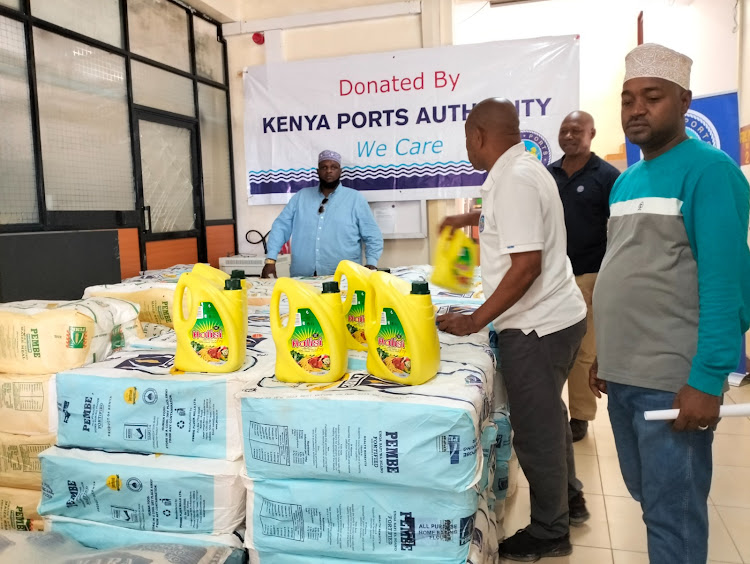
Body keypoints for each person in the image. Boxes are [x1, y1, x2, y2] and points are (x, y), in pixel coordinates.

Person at [590, 43, 750, 564]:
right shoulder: (627, 182)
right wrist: (604, 355)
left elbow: (727, 283)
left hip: (672, 379)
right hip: (625, 374)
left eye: (651, 97)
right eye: (628, 98)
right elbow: (629, 270)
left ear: (683, 101)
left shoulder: (709, 170)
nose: (636, 109)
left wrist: (707, 379)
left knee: (673, 513)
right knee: (648, 497)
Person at [437, 98, 589, 561]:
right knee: (550, 420)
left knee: (535, 430)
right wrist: (466, 220)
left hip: (536, 326)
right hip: (555, 318)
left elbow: (525, 267)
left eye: (467, 139)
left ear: (480, 134)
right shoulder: (518, 170)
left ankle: (550, 531)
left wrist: (474, 320)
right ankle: (572, 500)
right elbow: (515, 232)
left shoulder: (515, 179)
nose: (467, 148)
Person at [547, 111, 621, 442]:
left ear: (592, 132)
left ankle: (580, 416)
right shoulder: (549, 174)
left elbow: (619, 230)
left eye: (577, 130)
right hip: (549, 277)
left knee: (582, 351)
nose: (570, 135)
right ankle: (548, 411)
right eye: (564, 130)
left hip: (590, 275)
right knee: (549, 347)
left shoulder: (607, 176)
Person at [261, 150, 383, 278]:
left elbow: (372, 234)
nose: (329, 171)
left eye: (333, 167)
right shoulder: (301, 197)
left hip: (344, 277)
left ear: (340, 171)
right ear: (317, 171)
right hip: (304, 276)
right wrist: (270, 259)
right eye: (324, 167)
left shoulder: (355, 199)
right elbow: (281, 227)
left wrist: (371, 262)